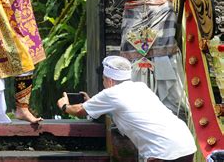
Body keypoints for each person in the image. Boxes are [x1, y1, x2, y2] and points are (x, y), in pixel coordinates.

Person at [56, 56, 196, 162]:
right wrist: (92, 103)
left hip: (163, 152)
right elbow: (125, 109)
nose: (103, 83)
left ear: (109, 80)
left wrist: (64, 106)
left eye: (103, 79)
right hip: (185, 143)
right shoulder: (140, 87)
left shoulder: (111, 94)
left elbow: (79, 110)